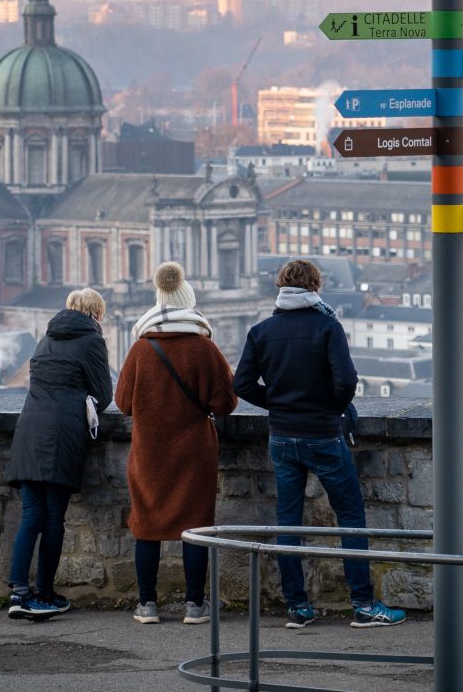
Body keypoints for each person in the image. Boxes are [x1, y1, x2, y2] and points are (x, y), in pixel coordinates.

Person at [232, 259, 406, 630]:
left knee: (288, 521)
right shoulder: (328, 326)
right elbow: (346, 380)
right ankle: (362, 603)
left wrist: (278, 403)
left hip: (282, 434)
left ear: (281, 287)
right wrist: (331, 408)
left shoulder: (261, 331)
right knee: (351, 518)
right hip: (323, 434)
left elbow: (242, 385)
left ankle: (298, 606)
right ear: (314, 286)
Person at [116, 262, 237, 626]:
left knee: (146, 526)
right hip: (194, 452)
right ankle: (194, 605)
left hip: (149, 452)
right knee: (195, 527)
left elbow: (122, 403)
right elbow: (225, 404)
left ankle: (147, 604)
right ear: (190, 303)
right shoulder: (204, 347)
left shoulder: (140, 349)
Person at [5, 287, 113, 620]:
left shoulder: (45, 339)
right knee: (53, 519)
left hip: (28, 432)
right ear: (96, 314)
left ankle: (18, 592)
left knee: (30, 517)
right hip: (61, 435)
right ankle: (44, 593)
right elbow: (104, 394)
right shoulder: (92, 341)